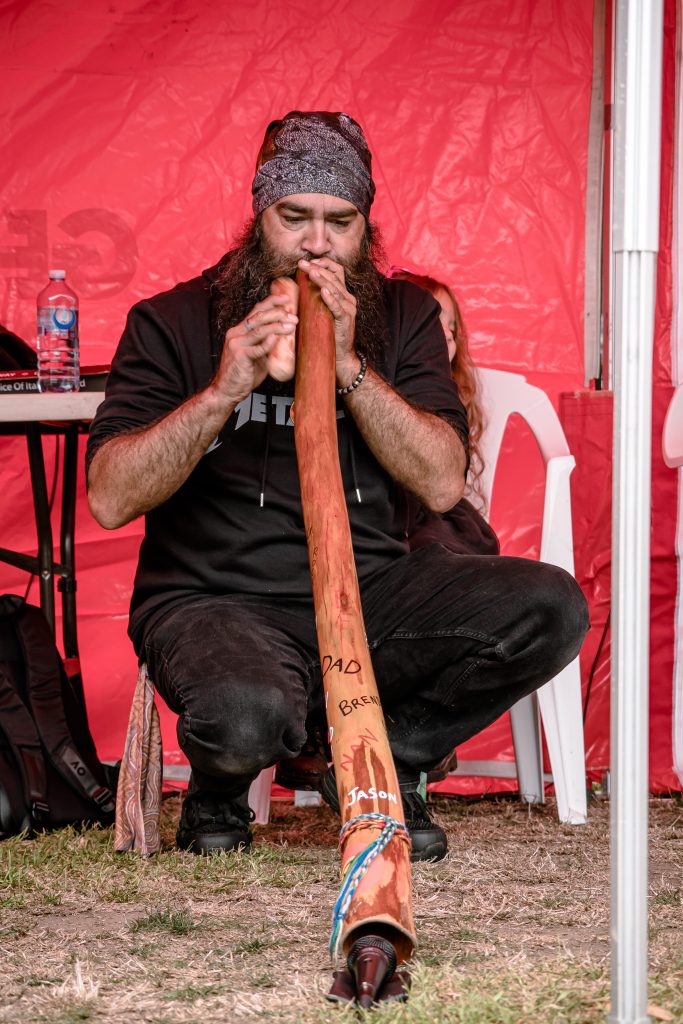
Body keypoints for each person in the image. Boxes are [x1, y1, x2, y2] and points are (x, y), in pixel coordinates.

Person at [86, 111, 589, 862]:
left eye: (340, 222)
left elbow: (441, 483)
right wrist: (223, 390)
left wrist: (352, 366)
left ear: (365, 228)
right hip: (216, 598)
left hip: (371, 592)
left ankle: (390, 761)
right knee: (245, 717)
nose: (317, 243)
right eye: (294, 218)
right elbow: (109, 497)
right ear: (259, 216)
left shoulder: (404, 315)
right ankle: (221, 785)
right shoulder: (172, 320)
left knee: (552, 606)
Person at [388, 269, 499, 558]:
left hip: (436, 513)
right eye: (436, 322)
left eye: (453, 326)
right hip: (398, 510)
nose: (448, 334)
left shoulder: (451, 395)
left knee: (470, 542)